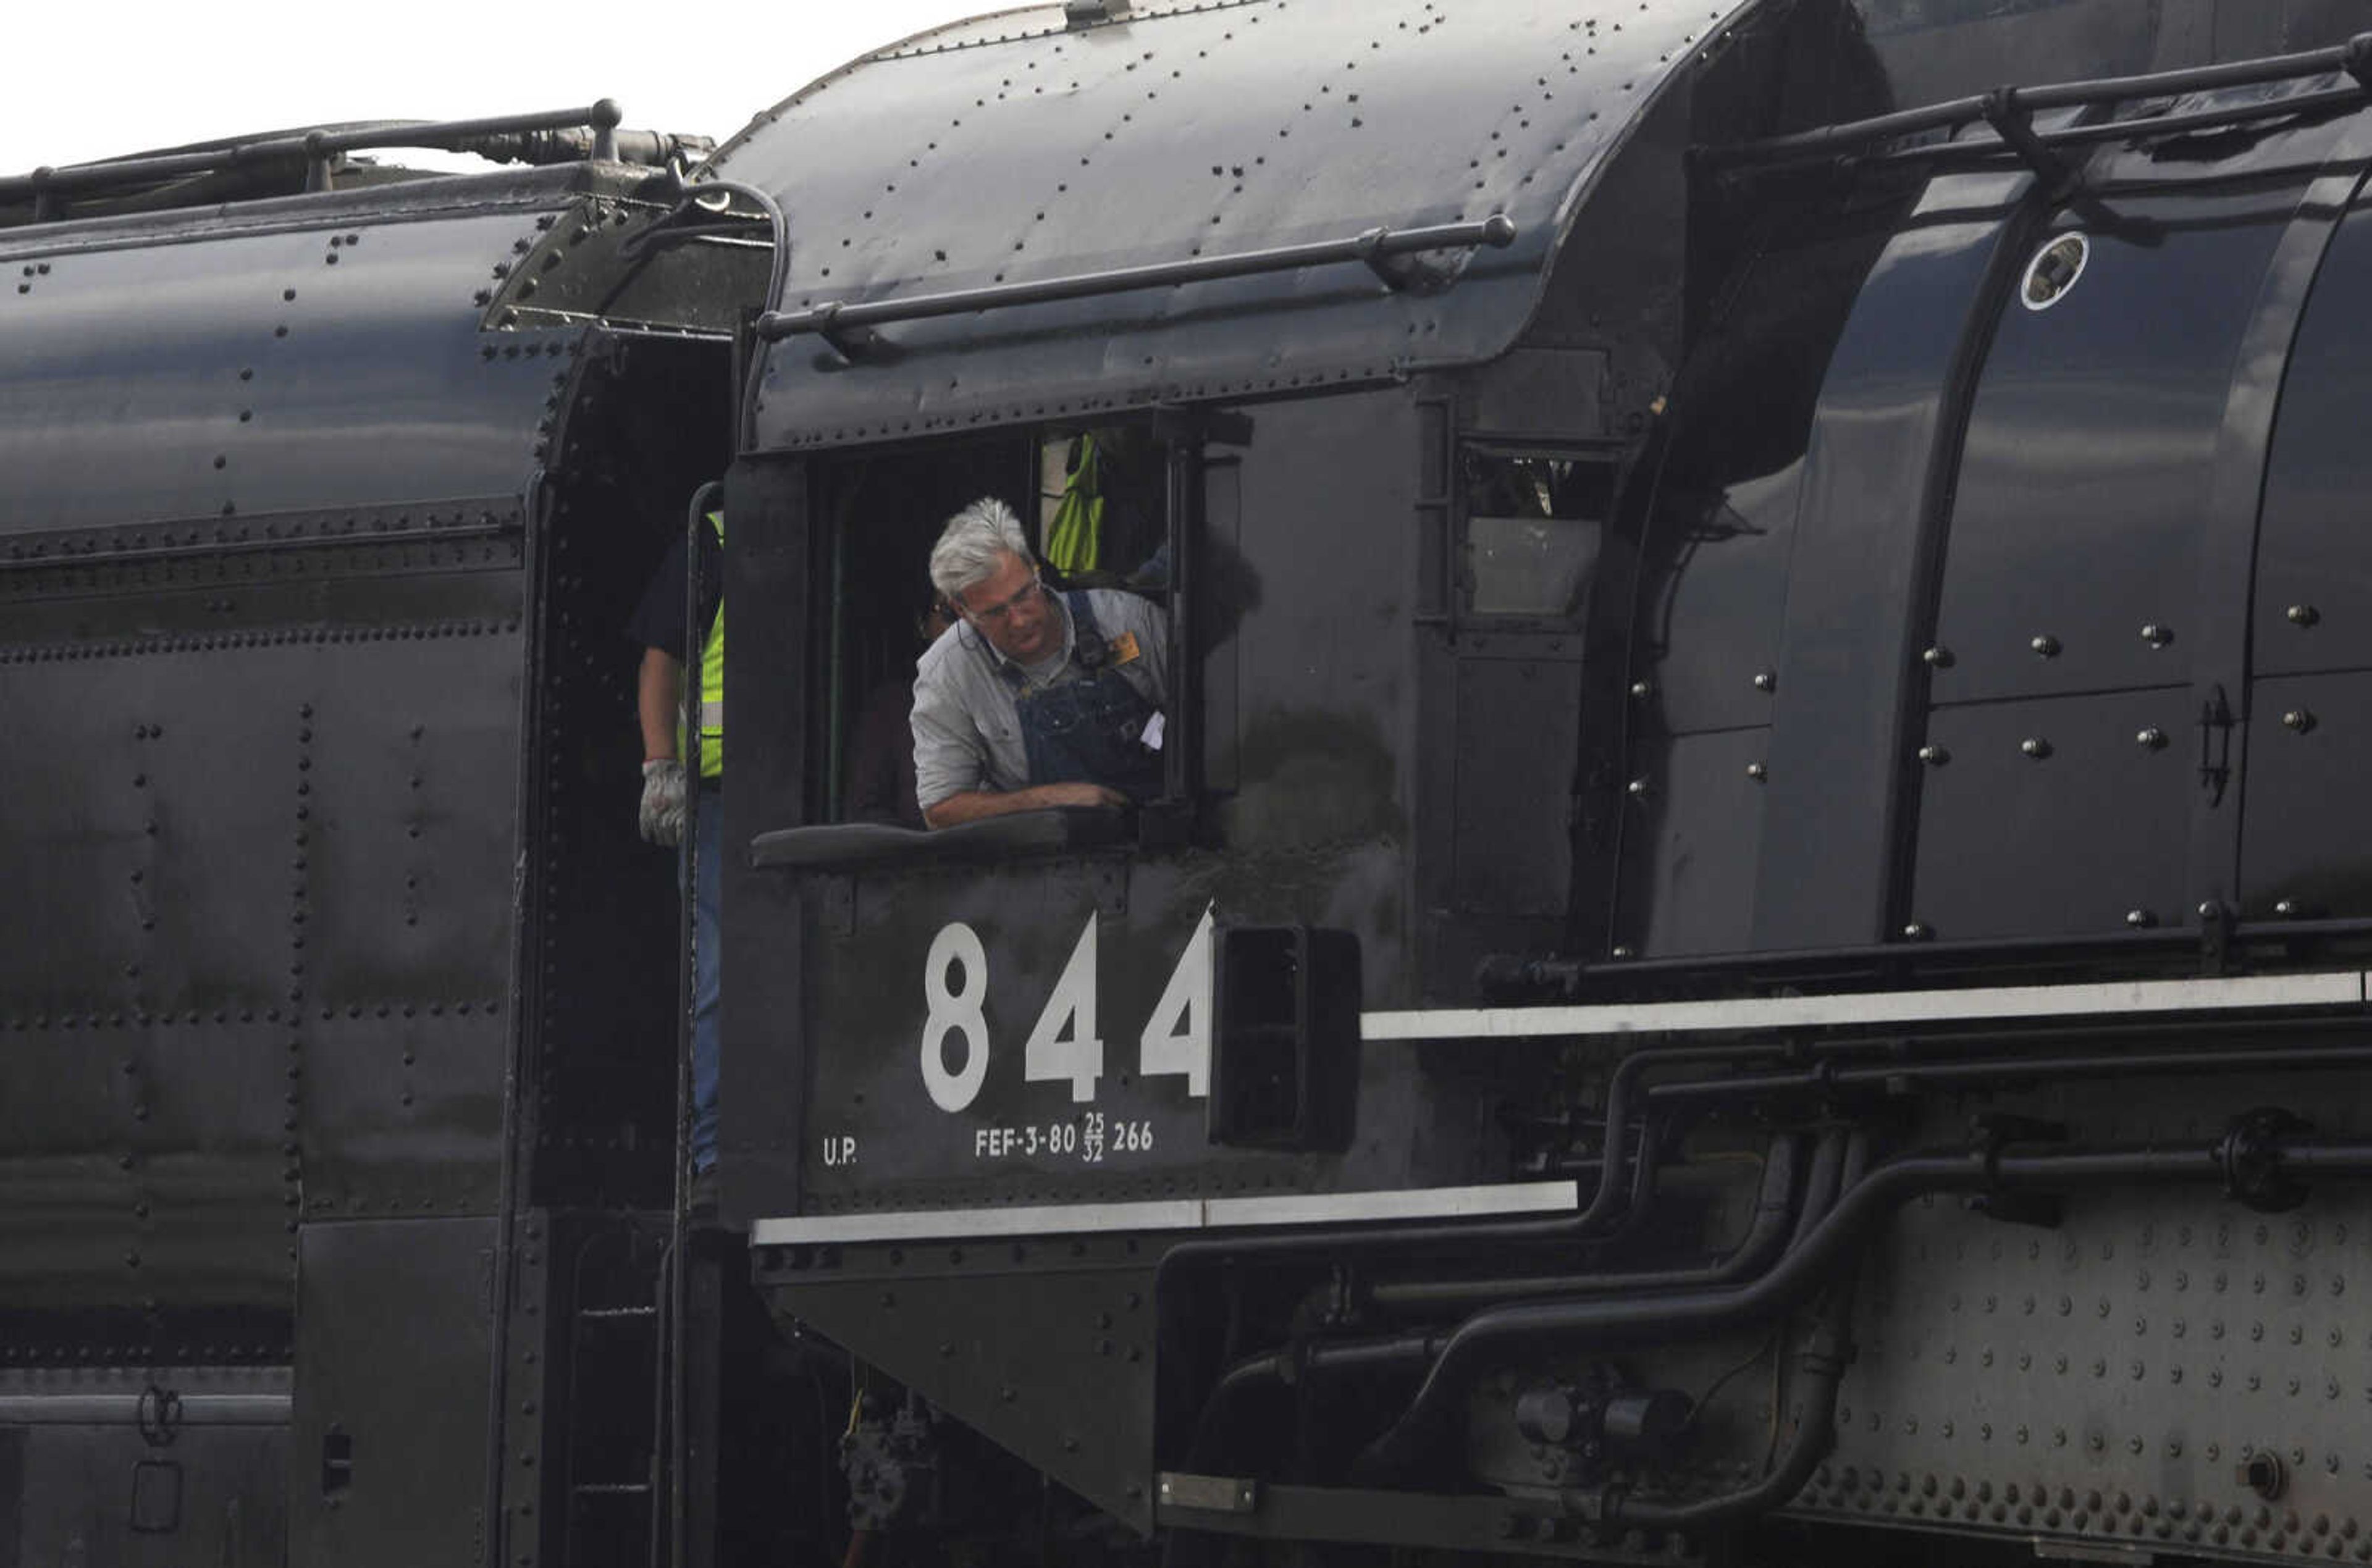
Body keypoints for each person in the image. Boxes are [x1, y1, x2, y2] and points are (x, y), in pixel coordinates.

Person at [912, 497, 1169, 828]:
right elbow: (942, 809)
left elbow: (1213, 720)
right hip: (1043, 863)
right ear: (961, 611)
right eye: (995, 612)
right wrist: (1053, 800)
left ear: (1035, 571)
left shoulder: (1129, 620)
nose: (1019, 621)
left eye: (1023, 596)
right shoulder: (948, 671)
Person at [628, 506, 724, 1191]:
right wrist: (661, 766)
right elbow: (662, 657)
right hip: (719, 789)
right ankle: (712, 1151)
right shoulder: (712, 534)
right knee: (717, 970)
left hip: (785, 779)